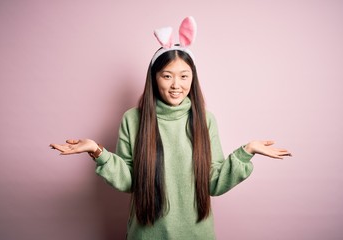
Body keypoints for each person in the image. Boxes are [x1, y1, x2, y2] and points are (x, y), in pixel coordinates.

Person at [50, 16, 291, 240]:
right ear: (154, 78)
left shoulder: (205, 120)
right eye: (167, 76)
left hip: (197, 234)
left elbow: (213, 183)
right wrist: (97, 151)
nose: (177, 85)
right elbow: (129, 180)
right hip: (146, 234)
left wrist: (246, 152)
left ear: (192, 79)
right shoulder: (133, 119)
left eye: (184, 76)